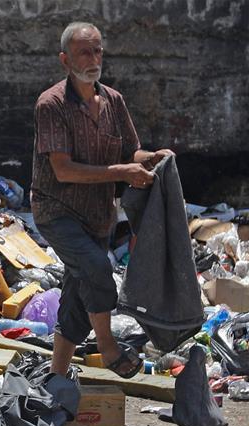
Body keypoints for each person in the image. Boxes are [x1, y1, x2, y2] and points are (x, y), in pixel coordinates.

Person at [30, 22, 174, 379]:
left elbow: (131, 151)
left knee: (78, 294)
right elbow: (63, 170)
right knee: (96, 268)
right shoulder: (52, 104)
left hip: (98, 215)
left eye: (97, 51)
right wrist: (124, 172)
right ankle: (109, 348)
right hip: (57, 210)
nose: (93, 59)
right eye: (84, 52)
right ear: (65, 60)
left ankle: (56, 377)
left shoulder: (113, 100)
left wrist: (151, 158)